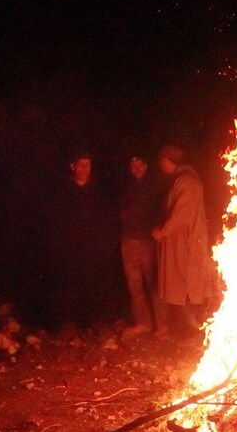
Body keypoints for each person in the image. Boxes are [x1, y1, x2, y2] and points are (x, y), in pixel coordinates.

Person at [46, 151, 117, 334]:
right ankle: (69, 322)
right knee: (69, 283)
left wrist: (103, 245)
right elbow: (55, 221)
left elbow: (106, 220)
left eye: (87, 165)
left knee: (95, 283)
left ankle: (96, 320)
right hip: (70, 248)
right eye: (81, 165)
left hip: (93, 248)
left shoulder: (98, 191)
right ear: (73, 167)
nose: (84, 169)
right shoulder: (63, 191)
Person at [152, 145, 212, 337]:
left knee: (186, 286)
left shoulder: (186, 181)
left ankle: (194, 331)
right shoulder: (182, 180)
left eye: (162, 160)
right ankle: (189, 331)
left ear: (167, 160)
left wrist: (162, 232)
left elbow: (181, 214)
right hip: (182, 241)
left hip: (186, 243)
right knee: (182, 287)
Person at [119, 155, 167, 338]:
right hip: (128, 241)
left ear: (146, 165)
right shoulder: (127, 187)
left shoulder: (155, 186)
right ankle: (143, 323)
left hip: (147, 242)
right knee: (135, 286)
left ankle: (162, 325)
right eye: (133, 164)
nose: (136, 167)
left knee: (153, 283)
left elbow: (160, 212)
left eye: (140, 163)